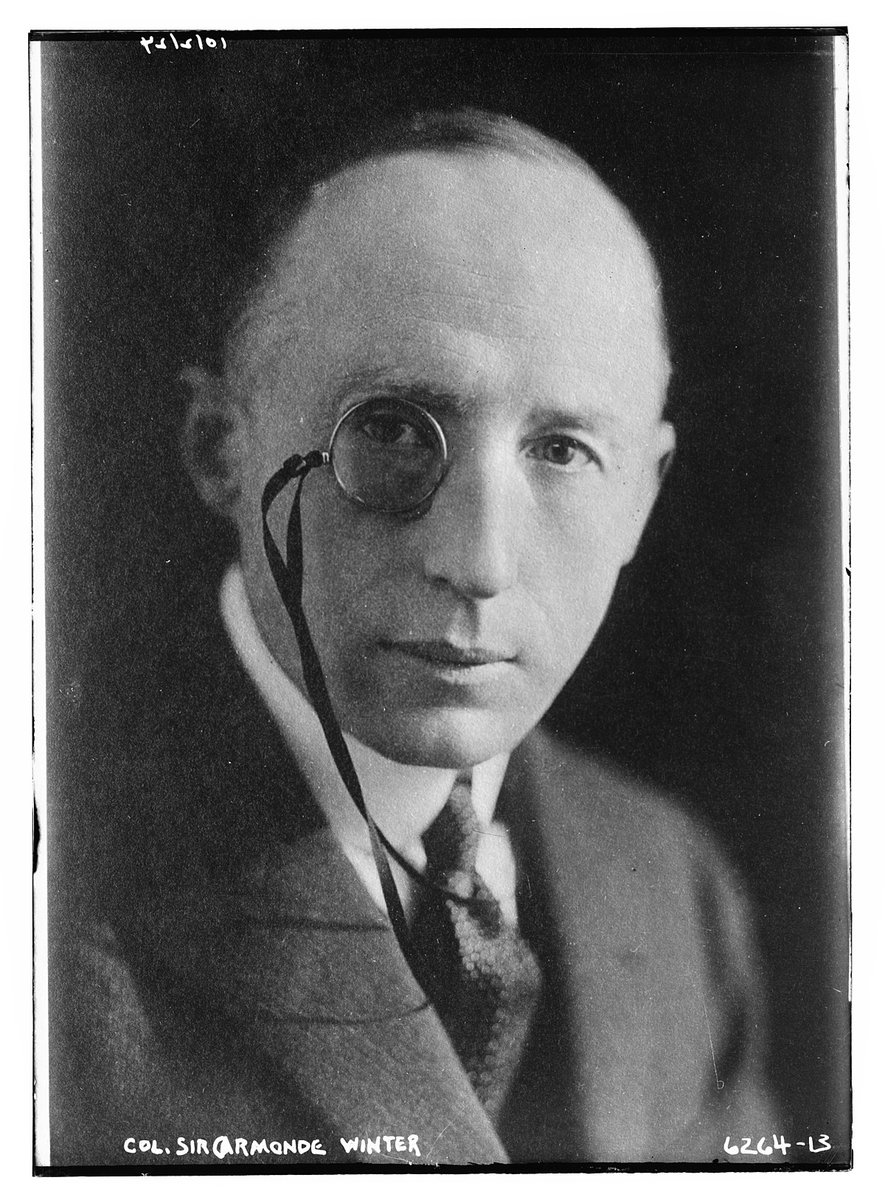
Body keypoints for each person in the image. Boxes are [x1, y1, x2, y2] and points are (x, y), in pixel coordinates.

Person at [49, 109, 773, 1167]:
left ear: (642, 500)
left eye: (563, 450)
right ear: (220, 450)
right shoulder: (53, 892)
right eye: (389, 429)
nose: (477, 561)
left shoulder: (667, 881)